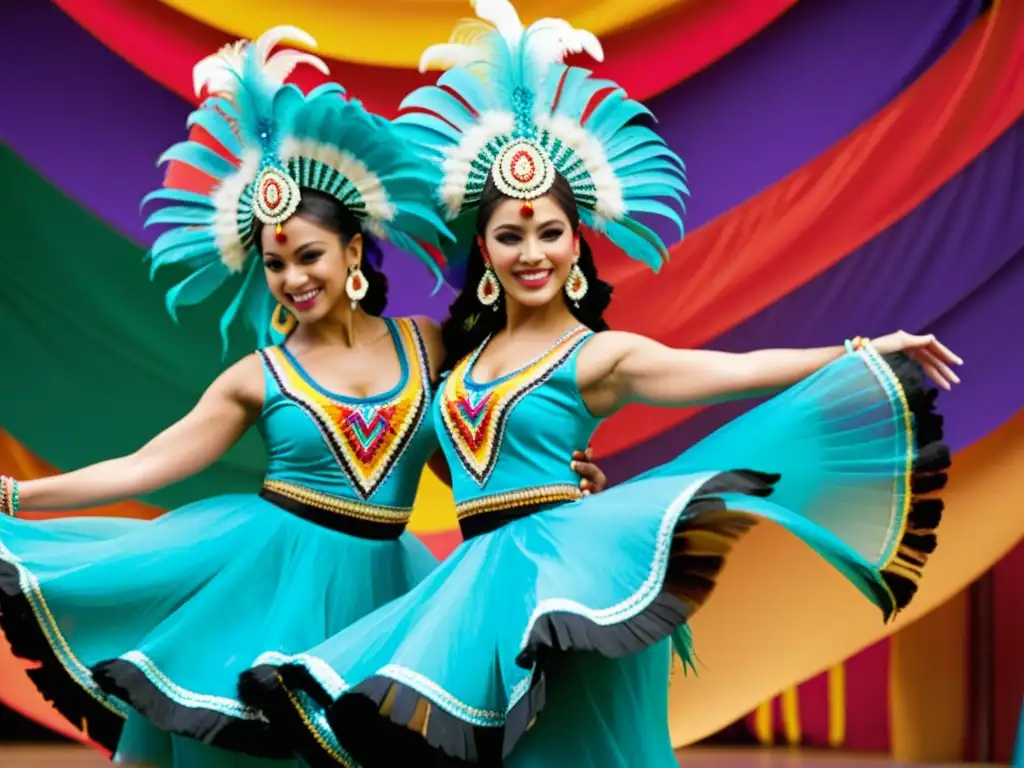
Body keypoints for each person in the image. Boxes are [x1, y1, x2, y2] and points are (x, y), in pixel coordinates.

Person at [237, 2, 962, 766]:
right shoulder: (454, 358)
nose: (531, 253)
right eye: (511, 235)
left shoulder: (599, 358)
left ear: (576, 244)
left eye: (550, 233)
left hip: (565, 593)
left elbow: (729, 374)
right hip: (478, 592)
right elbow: (446, 452)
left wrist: (860, 350)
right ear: (483, 248)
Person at [0, 26, 606, 768]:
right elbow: (146, 466)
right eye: (275, 261)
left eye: (308, 255)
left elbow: (471, 455)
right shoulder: (257, 377)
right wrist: (18, 498)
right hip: (262, 589)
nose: (292, 277)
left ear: (354, 252)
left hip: (384, 601)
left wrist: (559, 480)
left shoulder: (430, 346)